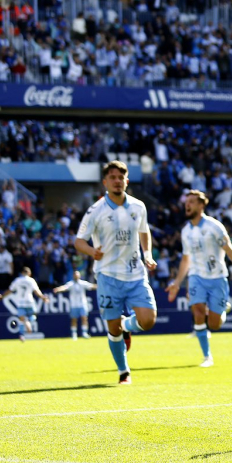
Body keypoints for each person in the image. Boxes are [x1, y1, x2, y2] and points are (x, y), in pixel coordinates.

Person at [74, 161, 158, 385]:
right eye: (112, 177)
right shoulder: (96, 210)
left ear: (126, 181)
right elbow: (78, 241)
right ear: (105, 182)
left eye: (121, 177)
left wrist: (147, 254)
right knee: (112, 328)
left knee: (148, 320)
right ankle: (124, 372)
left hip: (135, 273)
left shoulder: (138, 207)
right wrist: (92, 251)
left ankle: (126, 325)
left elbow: (144, 230)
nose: (117, 181)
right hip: (108, 276)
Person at [166, 190, 232, 367]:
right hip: (196, 277)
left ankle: (223, 310)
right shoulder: (186, 231)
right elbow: (186, 259)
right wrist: (177, 283)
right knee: (197, 311)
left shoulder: (214, 227)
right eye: (186, 202)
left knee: (215, 324)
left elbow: (230, 251)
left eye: (192, 202)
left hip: (217, 278)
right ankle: (207, 356)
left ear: (202, 205)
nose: (187, 205)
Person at [0, 267, 46, 341]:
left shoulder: (17, 280)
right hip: (30, 302)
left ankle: (22, 335)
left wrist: (2, 296)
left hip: (21, 303)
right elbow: (37, 291)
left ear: (22, 273)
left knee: (21, 319)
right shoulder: (31, 280)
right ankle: (29, 321)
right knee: (33, 315)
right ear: (29, 273)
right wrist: (43, 297)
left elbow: (10, 290)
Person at [53, 270, 96, 340]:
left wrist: (100, 286)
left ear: (79, 276)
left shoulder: (83, 283)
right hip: (74, 305)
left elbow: (92, 286)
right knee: (74, 319)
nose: (76, 276)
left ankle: (84, 333)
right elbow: (64, 287)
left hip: (82, 304)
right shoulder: (71, 284)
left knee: (84, 318)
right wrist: (58, 289)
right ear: (73, 276)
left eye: (77, 275)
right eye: (75, 275)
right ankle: (74, 334)